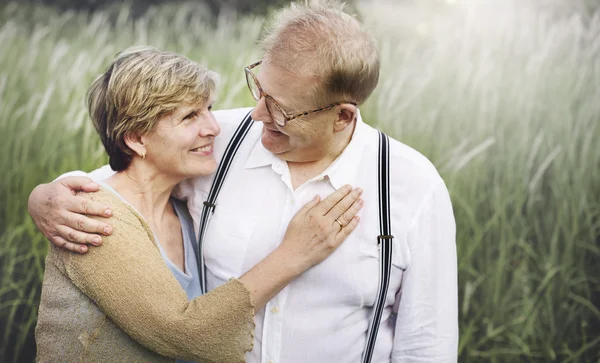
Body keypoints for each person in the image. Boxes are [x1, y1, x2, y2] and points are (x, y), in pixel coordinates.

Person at [29, 2, 459, 362]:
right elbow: (125, 177)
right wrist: (48, 196)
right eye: (259, 89)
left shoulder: (413, 188)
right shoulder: (219, 142)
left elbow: (426, 345)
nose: (254, 115)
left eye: (281, 109)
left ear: (343, 115)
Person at [33, 46, 363, 363]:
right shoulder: (95, 218)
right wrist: (294, 255)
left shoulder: (182, 211)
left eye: (208, 109)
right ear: (135, 138)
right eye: (190, 116)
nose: (213, 128)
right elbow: (185, 332)